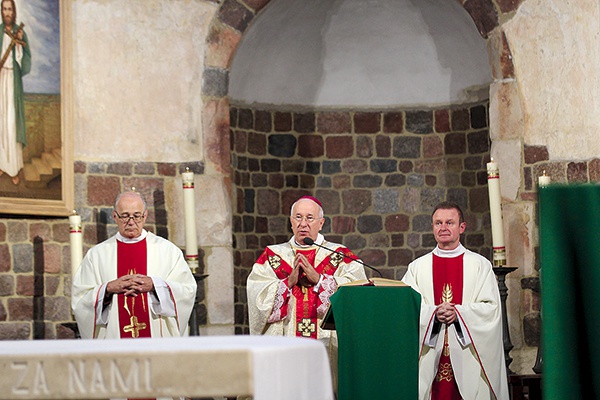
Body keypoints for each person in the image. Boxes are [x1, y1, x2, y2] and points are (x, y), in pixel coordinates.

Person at [401, 201, 509, 400]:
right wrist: (433, 313)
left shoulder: (479, 265)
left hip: (468, 355)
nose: (443, 228)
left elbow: (491, 310)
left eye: (449, 223)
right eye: (438, 223)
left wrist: (458, 313)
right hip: (430, 355)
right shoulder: (417, 268)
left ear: (462, 227)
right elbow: (404, 308)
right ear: (432, 227)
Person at [72, 190, 197, 340]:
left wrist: (155, 285)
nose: (131, 221)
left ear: (145, 216)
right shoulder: (97, 255)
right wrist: (108, 288)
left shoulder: (167, 251)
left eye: (137, 216)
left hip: (156, 342)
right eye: (125, 216)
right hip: (115, 342)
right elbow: (80, 301)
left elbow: (187, 291)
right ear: (114, 216)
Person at [247, 195, 367, 349]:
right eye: (298, 217)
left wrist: (320, 280)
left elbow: (357, 291)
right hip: (285, 346)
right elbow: (256, 294)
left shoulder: (340, 255)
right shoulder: (273, 255)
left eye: (310, 218)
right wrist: (287, 283)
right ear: (291, 221)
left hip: (326, 344)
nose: (303, 224)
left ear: (321, 223)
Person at [0, 0, 30, 186]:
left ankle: (14, 167)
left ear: (14, 11)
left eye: (10, 9)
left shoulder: (20, 31)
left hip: (13, 82)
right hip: (0, 79)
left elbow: (25, 61)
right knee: (1, 122)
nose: (7, 12)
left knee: (11, 122)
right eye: (4, 9)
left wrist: (19, 44)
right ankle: (2, 164)